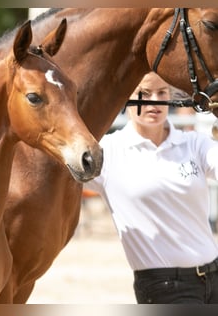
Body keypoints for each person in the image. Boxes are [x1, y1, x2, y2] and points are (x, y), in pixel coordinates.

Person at [84, 72, 218, 304]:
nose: (154, 101)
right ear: (125, 97)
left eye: (161, 93)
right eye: (143, 94)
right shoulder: (108, 153)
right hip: (164, 287)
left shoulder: (194, 143)